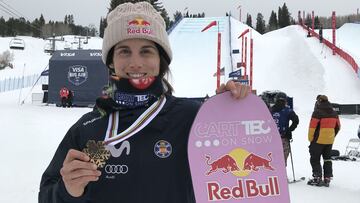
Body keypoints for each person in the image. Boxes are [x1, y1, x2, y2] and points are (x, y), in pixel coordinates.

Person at [38, 2, 250, 203]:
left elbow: (240, 174)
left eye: (146, 51)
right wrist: (67, 191)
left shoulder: (192, 118)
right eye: (124, 51)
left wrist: (231, 114)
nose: (136, 63)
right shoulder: (89, 128)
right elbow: (47, 195)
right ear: (111, 61)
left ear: (161, 60)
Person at [307, 95, 340, 187]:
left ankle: (317, 177)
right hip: (329, 140)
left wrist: (311, 139)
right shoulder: (334, 113)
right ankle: (327, 178)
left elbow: (312, 127)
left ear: (319, 101)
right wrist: (332, 135)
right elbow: (338, 127)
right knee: (327, 159)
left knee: (315, 158)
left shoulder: (317, 112)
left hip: (318, 140)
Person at [270, 92, 299, 167]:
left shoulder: (270, 110)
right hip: (283, 137)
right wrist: (289, 130)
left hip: (271, 138)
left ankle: (274, 175)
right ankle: (281, 175)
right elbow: (296, 120)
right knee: (282, 159)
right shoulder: (288, 110)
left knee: (272, 158)